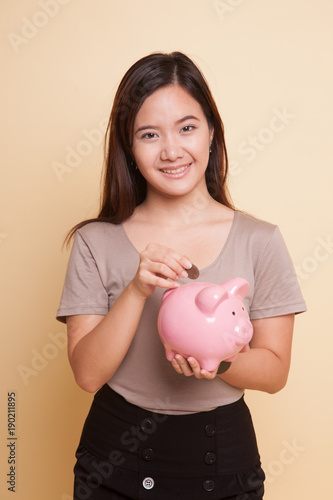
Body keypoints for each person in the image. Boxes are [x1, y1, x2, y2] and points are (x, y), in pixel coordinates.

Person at [56, 52, 306, 500]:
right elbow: (88, 375)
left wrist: (219, 363)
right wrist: (137, 289)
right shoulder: (96, 241)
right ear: (129, 148)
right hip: (113, 457)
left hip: (223, 458)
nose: (171, 150)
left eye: (187, 128)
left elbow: (275, 371)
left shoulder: (260, 240)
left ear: (212, 132)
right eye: (149, 134)